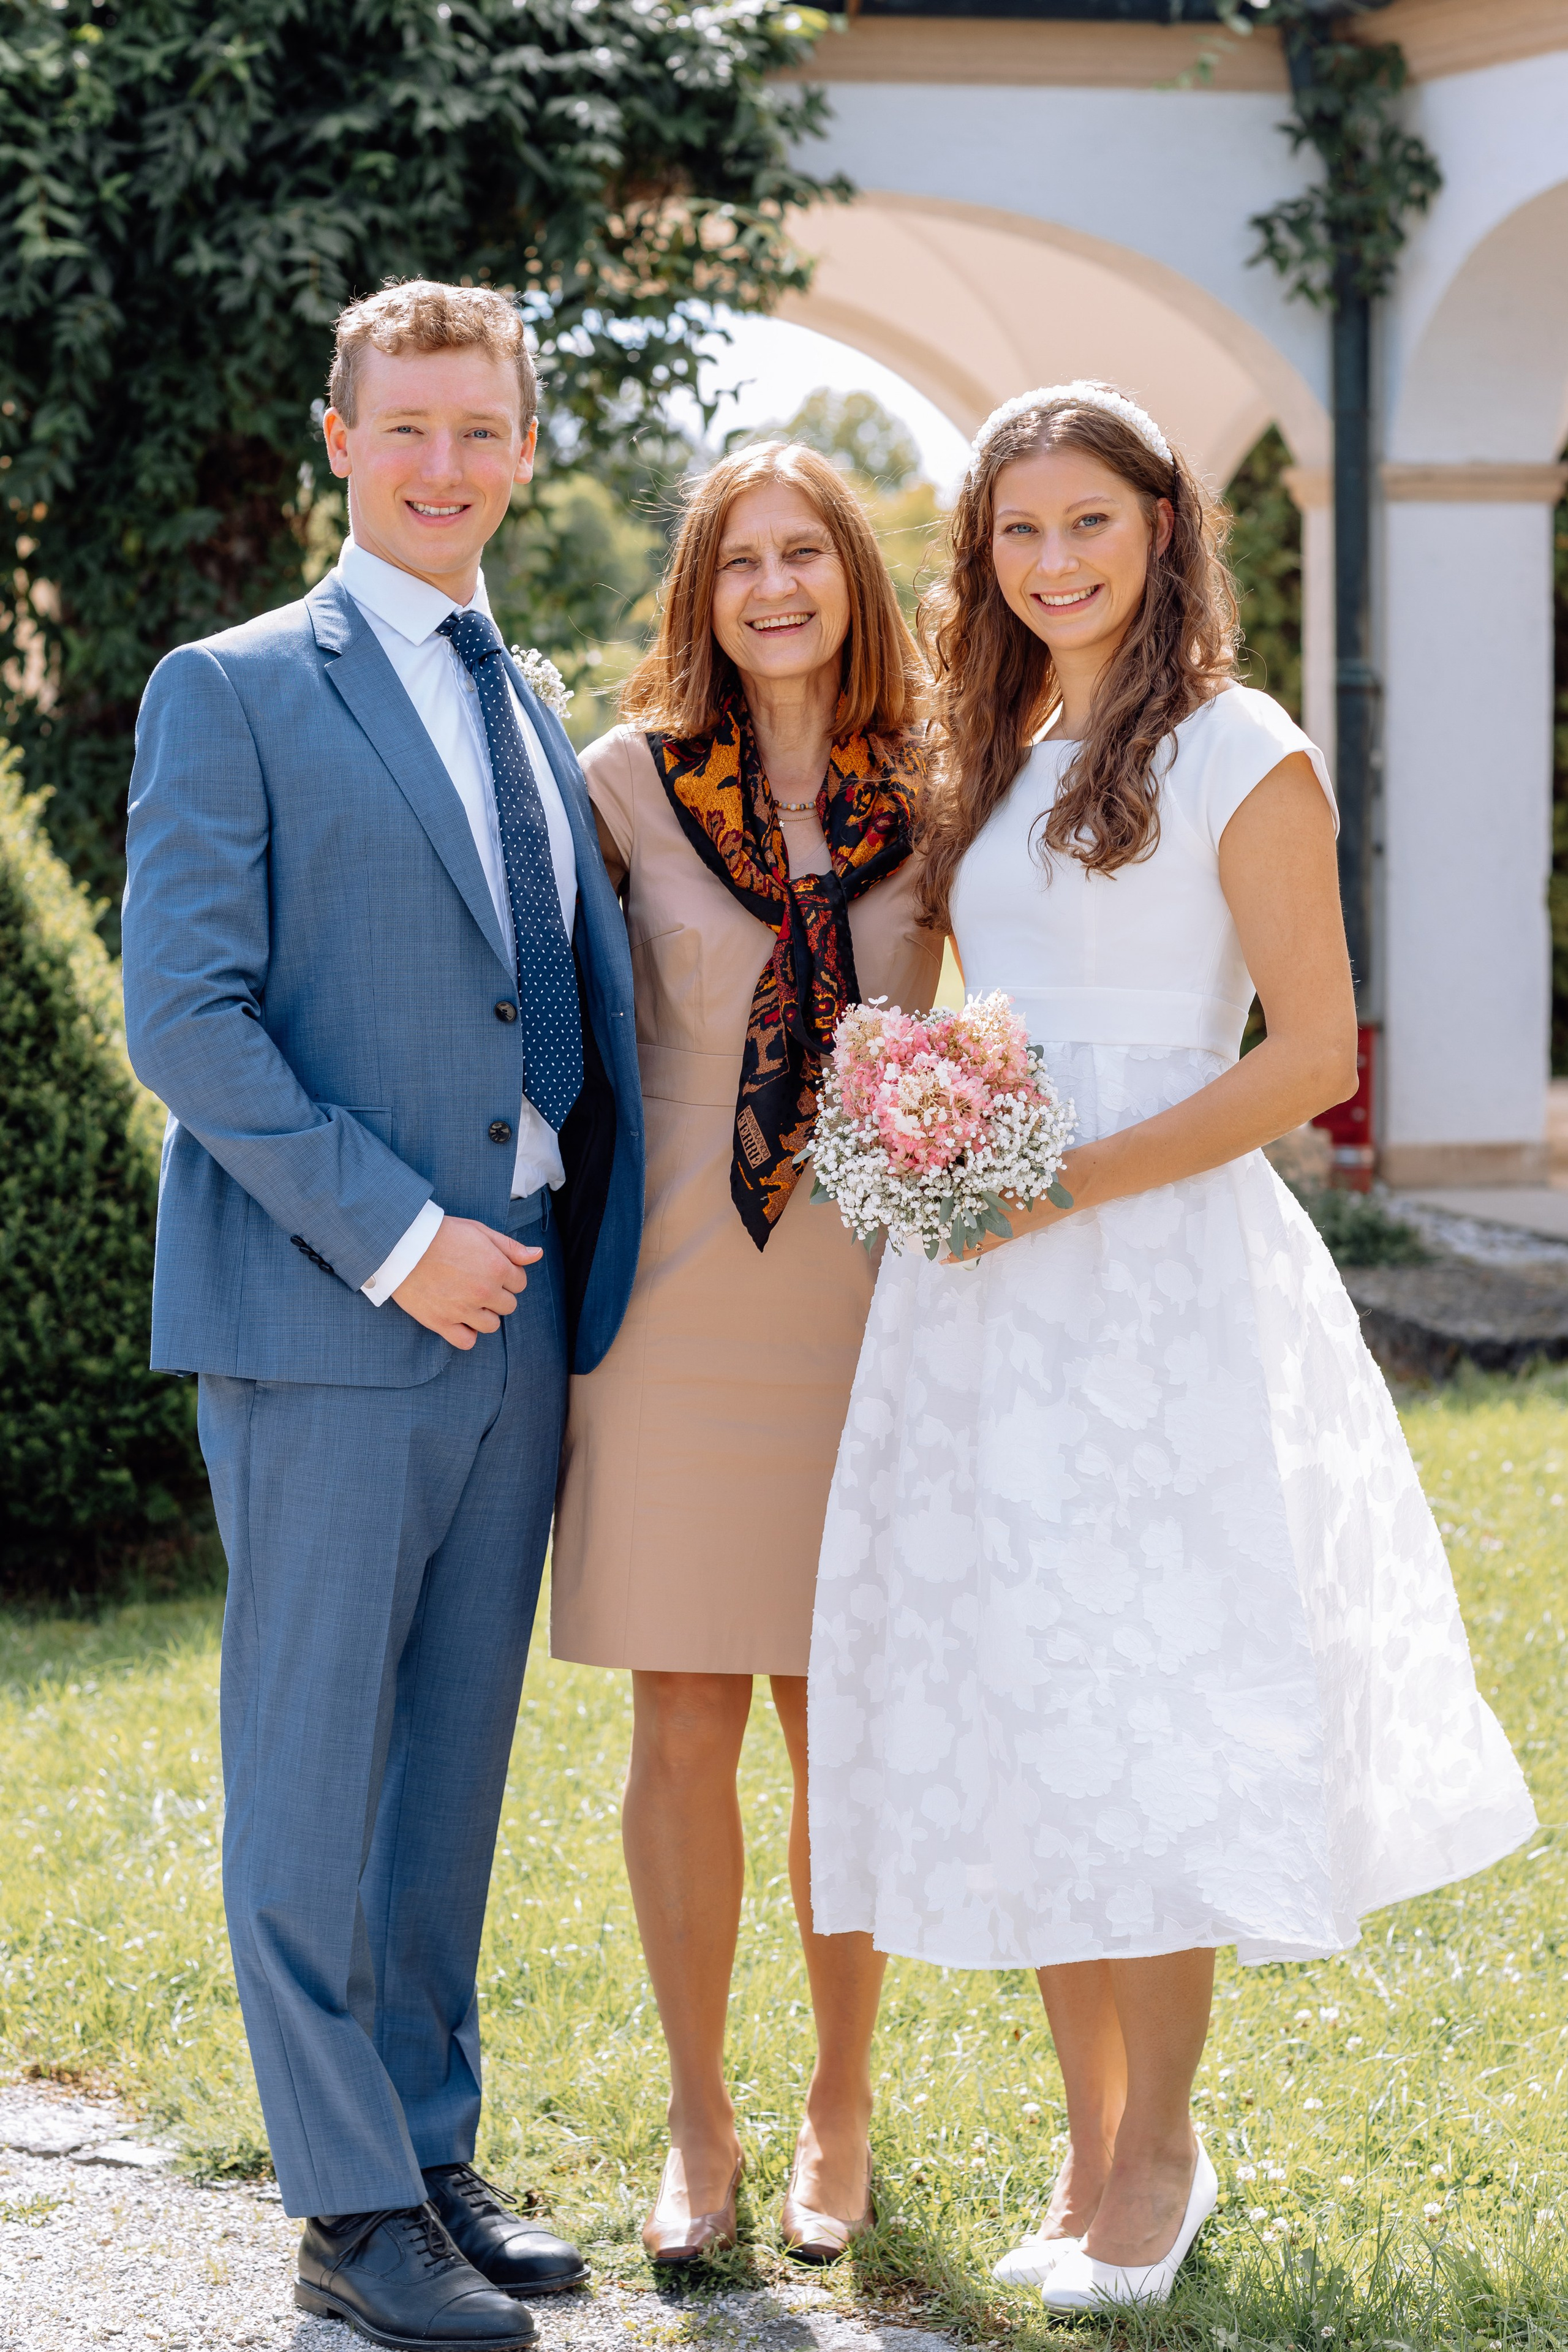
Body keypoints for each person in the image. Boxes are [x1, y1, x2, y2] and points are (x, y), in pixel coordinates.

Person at [806, 382, 1537, 2312]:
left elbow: (1313, 1055)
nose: (1053, 564)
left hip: (1156, 1279)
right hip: (987, 1285)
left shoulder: (1239, 747)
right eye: (1018, 534)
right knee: (1042, 1698)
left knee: (1148, 1694)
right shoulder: (1007, 745)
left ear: (1160, 528)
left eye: (1089, 527)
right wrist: (931, 1119)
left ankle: (1164, 2151)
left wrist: (1073, 1180)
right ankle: (1085, 2130)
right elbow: (994, 1005)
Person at [121, 281, 645, 2352]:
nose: (448, 465)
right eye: (408, 426)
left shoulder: (527, 698)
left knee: (446, 1778)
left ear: (528, 447)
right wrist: (393, 1231)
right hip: (345, 1312)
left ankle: (427, 2153)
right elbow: (190, 1016)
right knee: (312, 1768)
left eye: (483, 428)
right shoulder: (234, 685)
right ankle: (345, 2211)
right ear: (338, 438)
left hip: (518, 1323)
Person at [551, 442, 941, 2266]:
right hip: (674, 1312)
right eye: (739, 562)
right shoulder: (621, 788)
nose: (776, 587)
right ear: (698, 595)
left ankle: (837, 2106)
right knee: (683, 1719)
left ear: (856, 577)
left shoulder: (940, 792)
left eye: (808, 555)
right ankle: (698, 2121)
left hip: (875, 1311)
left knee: (842, 1732)